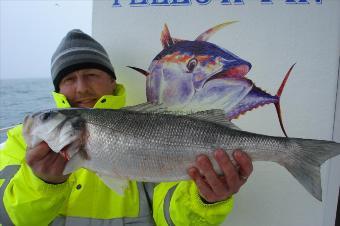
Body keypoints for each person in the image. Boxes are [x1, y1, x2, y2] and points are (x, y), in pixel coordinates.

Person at [0, 29, 253, 226]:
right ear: (57, 89)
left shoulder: (150, 126)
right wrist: (42, 182)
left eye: (91, 75)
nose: (81, 88)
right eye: (68, 79)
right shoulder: (19, 144)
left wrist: (205, 200)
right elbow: (9, 218)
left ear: (112, 81)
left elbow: (173, 218)